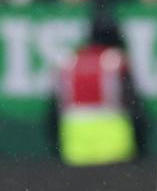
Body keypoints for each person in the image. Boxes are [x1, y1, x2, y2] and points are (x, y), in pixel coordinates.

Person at [52, 13, 144, 166]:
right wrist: (140, 142)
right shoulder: (115, 60)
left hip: (76, 138)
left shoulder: (70, 61)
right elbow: (132, 101)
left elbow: (56, 105)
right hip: (113, 138)